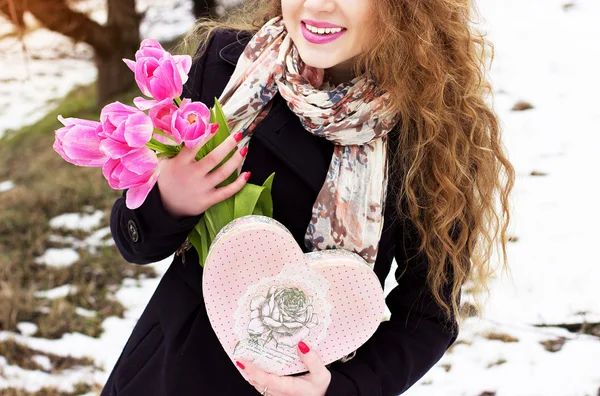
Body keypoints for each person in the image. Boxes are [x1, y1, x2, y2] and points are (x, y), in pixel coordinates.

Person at [101, 0, 514, 394]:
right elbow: (132, 240)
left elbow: (430, 312)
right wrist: (169, 200)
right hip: (167, 373)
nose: (317, 6)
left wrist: (344, 388)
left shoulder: (432, 133)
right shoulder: (228, 65)